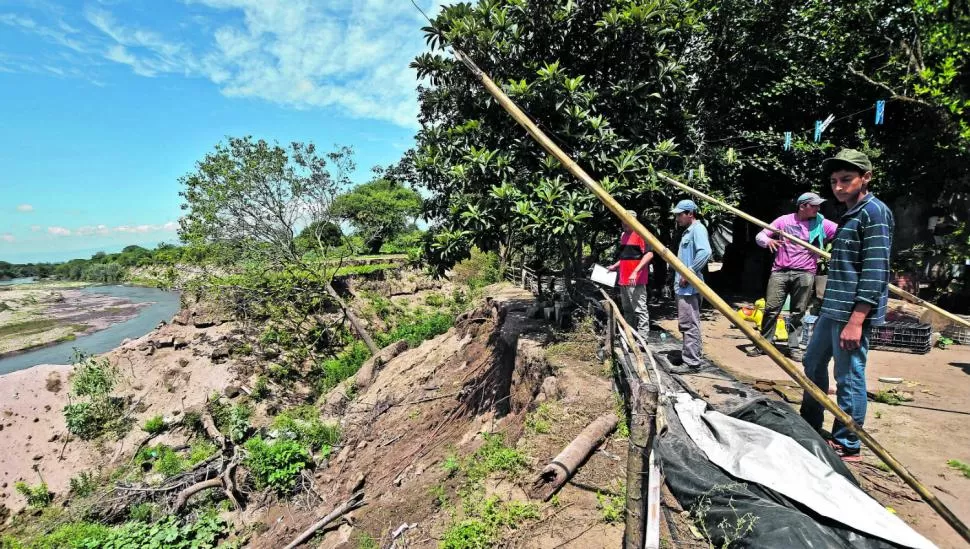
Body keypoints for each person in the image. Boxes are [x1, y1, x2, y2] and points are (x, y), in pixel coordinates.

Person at [800, 149, 894, 461]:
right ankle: (810, 422)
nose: (838, 186)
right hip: (833, 307)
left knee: (849, 375)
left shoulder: (874, 214)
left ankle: (847, 441)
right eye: (834, 181)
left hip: (852, 312)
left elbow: (875, 270)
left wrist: (857, 320)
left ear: (865, 178)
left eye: (846, 180)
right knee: (812, 362)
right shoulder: (850, 213)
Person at [748, 192, 838, 361]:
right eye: (814, 205)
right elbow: (760, 235)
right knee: (771, 309)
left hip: (805, 273)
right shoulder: (784, 221)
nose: (818, 208)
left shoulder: (821, 223)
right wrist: (768, 242)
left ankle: (794, 347)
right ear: (802, 206)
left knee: (798, 312)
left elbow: (841, 233)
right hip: (780, 272)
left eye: (819, 205)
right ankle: (764, 344)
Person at [671, 199, 712, 369]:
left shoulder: (698, 229)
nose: (677, 218)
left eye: (680, 214)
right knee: (686, 323)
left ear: (690, 214)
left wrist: (689, 273)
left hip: (689, 287)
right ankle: (691, 355)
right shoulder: (687, 231)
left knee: (689, 323)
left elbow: (705, 252)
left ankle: (692, 362)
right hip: (683, 286)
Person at [607, 210, 654, 341]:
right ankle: (630, 335)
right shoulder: (623, 235)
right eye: (623, 220)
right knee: (627, 310)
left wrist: (635, 271)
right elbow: (625, 256)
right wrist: (615, 266)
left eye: (627, 220)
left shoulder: (642, 234)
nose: (624, 223)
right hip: (624, 279)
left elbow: (649, 254)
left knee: (640, 310)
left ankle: (643, 338)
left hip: (636, 280)